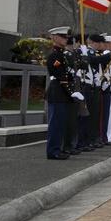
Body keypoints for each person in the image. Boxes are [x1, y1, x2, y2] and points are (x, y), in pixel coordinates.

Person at [44, 27, 82, 159]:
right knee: (55, 125)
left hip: (62, 94)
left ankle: (57, 149)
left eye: (66, 37)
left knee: (61, 125)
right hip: (57, 93)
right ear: (54, 38)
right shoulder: (55, 55)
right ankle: (53, 151)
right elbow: (60, 76)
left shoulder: (62, 55)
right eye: (63, 37)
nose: (66, 39)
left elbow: (66, 74)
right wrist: (72, 92)